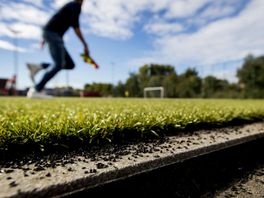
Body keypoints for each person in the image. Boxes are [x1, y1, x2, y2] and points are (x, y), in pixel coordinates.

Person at [27, 0, 89, 98]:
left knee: (69, 64)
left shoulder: (71, 6)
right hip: (53, 34)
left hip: (51, 34)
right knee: (59, 64)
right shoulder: (75, 6)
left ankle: (40, 66)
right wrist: (85, 45)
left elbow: (56, 19)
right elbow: (76, 28)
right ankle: (36, 90)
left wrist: (44, 38)